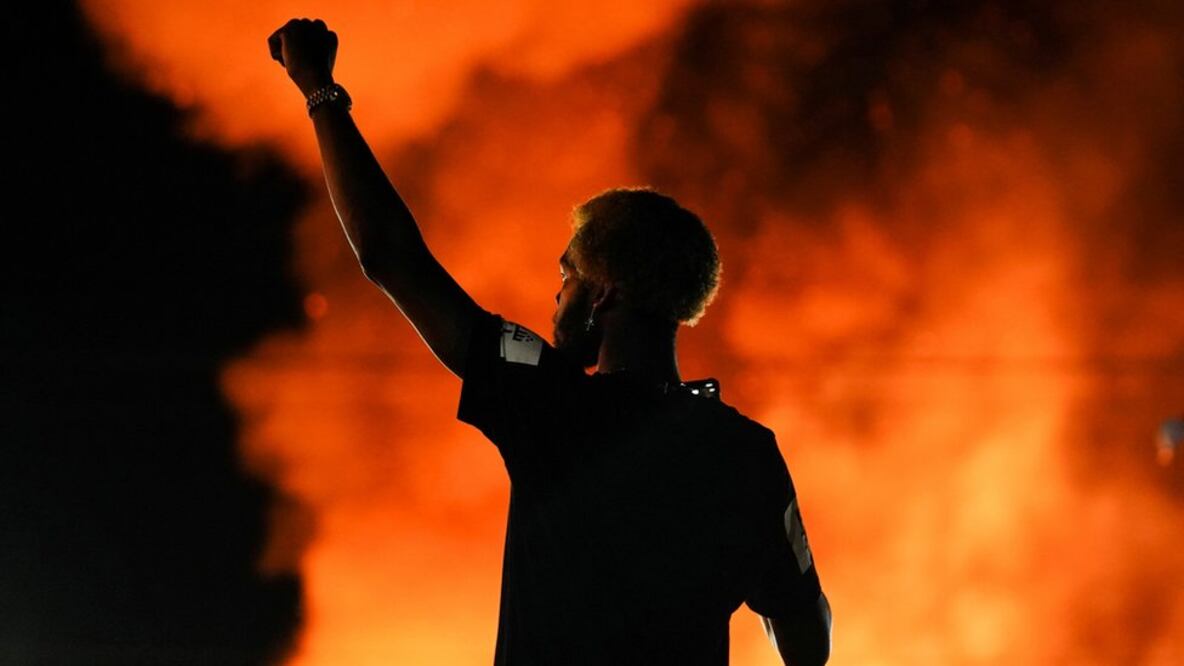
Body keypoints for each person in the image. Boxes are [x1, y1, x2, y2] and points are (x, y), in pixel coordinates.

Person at [267, 18, 832, 666]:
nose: (556, 297)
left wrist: (320, 89)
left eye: (567, 276)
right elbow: (808, 636)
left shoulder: (554, 400)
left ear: (606, 293)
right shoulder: (745, 454)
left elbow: (390, 256)